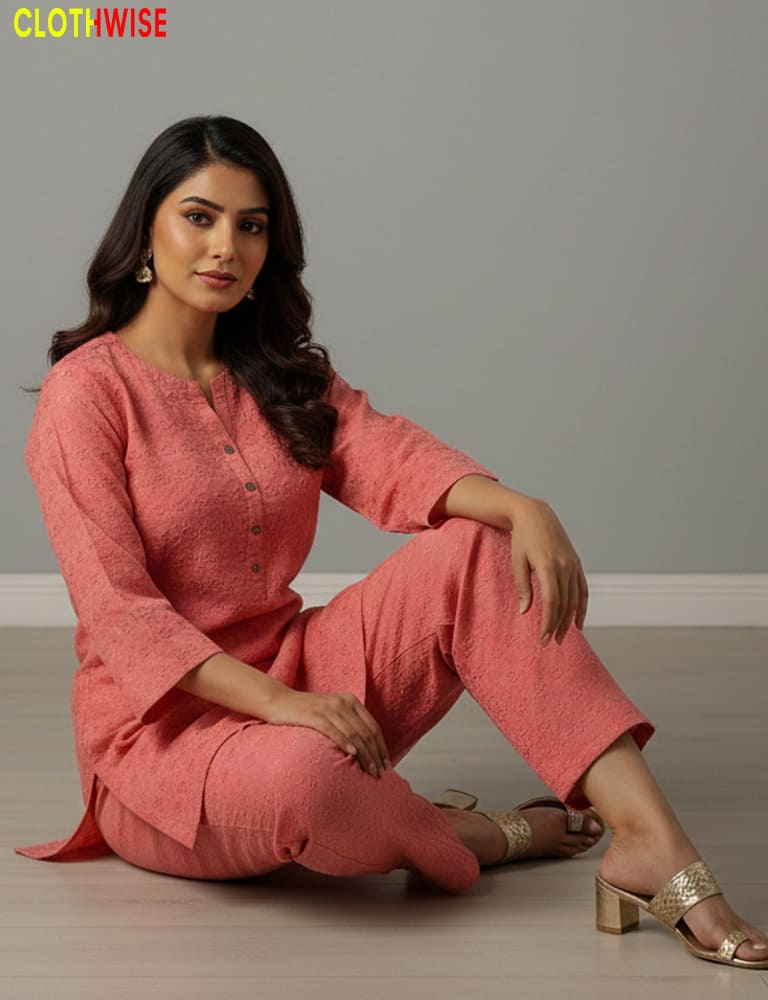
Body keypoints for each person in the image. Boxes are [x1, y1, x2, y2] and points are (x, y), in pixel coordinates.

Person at [15, 114, 767, 970]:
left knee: (478, 545)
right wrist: (284, 709)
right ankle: (478, 837)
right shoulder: (85, 395)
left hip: (299, 673)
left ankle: (649, 842)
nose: (225, 246)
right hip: (161, 747)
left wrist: (522, 507)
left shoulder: (278, 373)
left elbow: (391, 458)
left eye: (251, 224)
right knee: (308, 777)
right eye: (199, 216)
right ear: (145, 229)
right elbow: (123, 617)